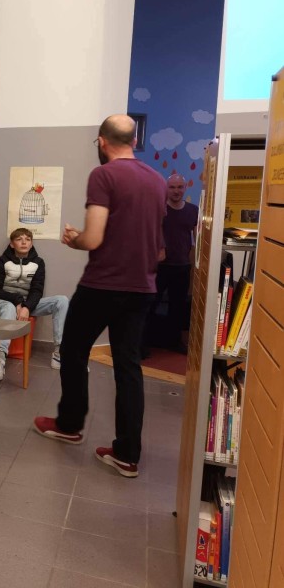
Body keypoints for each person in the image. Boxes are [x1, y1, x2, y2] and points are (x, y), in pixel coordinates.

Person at [34, 114, 166, 479]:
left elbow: (93, 238)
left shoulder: (104, 175)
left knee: (74, 351)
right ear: (135, 141)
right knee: (128, 366)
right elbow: (157, 247)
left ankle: (69, 425)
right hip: (142, 288)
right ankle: (127, 454)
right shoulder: (157, 180)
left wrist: (73, 238)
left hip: (103, 285)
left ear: (102, 142)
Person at [0, 228, 69, 377]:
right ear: (12, 244)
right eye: (19, 239)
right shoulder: (2, 261)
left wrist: (26, 307)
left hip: (28, 303)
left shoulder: (38, 262)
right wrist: (16, 301)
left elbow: (37, 290)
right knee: (9, 307)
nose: (24, 242)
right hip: (4, 302)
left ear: (31, 244)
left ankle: (59, 354)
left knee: (62, 300)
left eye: (27, 239)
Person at [144, 173, 198, 354]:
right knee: (151, 304)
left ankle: (175, 342)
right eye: (172, 187)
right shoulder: (158, 209)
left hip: (182, 266)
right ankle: (144, 343)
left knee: (178, 307)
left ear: (185, 188)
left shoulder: (193, 211)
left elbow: (198, 239)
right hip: (159, 266)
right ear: (166, 189)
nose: (176, 191)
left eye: (179, 187)